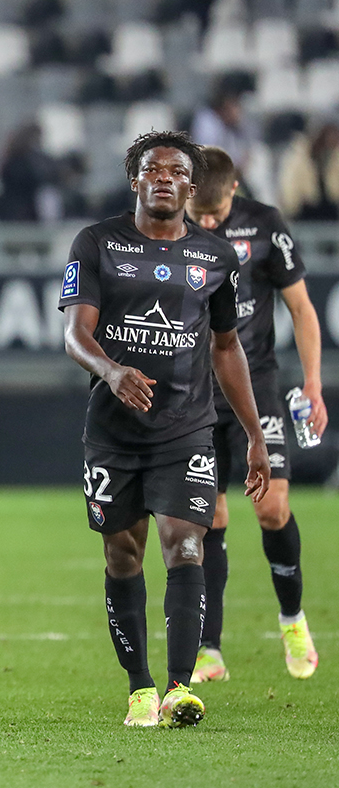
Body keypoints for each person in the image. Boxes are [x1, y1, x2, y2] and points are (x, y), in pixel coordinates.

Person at [59, 130, 269, 729]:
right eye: (152, 169)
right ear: (135, 180)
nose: (164, 179)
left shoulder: (217, 258)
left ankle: (179, 687)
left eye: (176, 171)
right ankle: (140, 688)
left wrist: (253, 434)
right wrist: (111, 370)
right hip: (113, 434)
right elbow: (75, 335)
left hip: (186, 431)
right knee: (123, 556)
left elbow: (227, 349)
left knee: (186, 543)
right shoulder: (96, 242)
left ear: (192, 186)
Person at [184, 146, 325, 682]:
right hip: (196, 394)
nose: (211, 222)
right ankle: (209, 649)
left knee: (271, 508)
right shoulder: (170, 228)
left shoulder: (266, 226)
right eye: (203, 215)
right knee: (208, 518)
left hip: (256, 388)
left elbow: (302, 308)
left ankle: (292, 619)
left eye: (218, 213)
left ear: (235, 188)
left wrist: (312, 383)